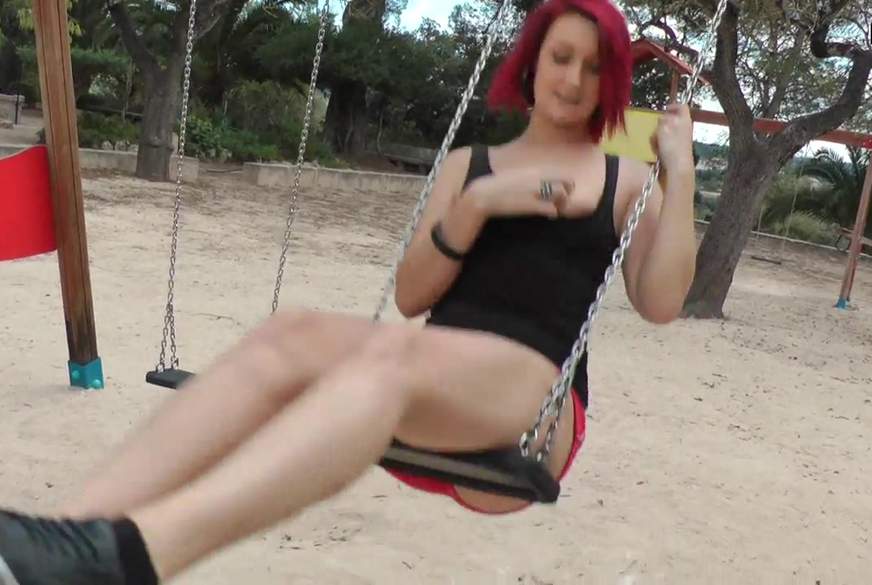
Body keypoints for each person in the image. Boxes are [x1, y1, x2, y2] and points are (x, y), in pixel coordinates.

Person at [0, 0, 698, 583]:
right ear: (533, 62)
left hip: (536, 406)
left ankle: (133, 557)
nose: (573, 78)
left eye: (594, 66)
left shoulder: (624, 181)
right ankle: (62, 541)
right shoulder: (470, 167)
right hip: (431, 377)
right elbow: (413, 296)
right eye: (561, 57)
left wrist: (681, 169)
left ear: (611, 80)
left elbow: (661, 301)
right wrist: (479, 204)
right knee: (291, 333)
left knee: (388, 363)